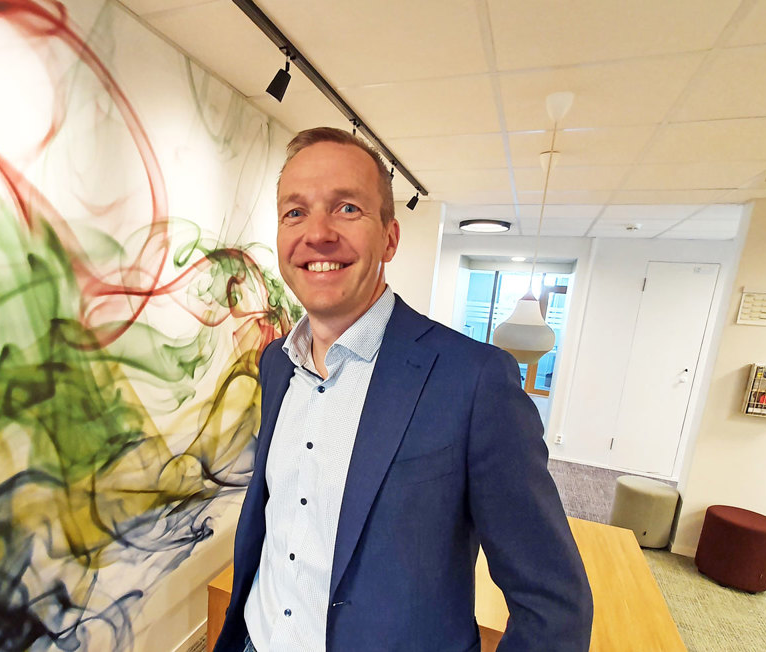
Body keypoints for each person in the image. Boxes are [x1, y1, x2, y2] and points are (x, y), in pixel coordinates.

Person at [213, 127, 592, 652]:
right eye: (294, 212)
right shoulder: (276, 364)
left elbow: (553, 606)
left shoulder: (475, 382)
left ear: (390, 237)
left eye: (347, 208)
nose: (317, 233)